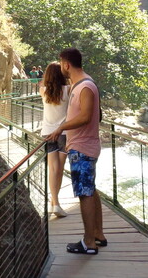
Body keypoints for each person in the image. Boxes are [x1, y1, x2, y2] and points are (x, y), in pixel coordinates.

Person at [46, 48, 106, 255]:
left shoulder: (85, 86)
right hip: (83, 146)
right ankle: (98, 234)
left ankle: (89, 243)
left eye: (61, 62)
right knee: (90, 189)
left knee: (84, 193)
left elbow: (88, 116)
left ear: (66, 64)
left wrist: (61, 127)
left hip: (82, 148)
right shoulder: (79, 85)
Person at [39, 62, 69, 217]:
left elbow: (45, 85)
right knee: (60, 169)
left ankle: (54, 202)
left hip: (47, 133)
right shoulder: (68, 90)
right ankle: (56, 203)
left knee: (52, 169)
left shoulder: (43, 90)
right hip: (64, 133)